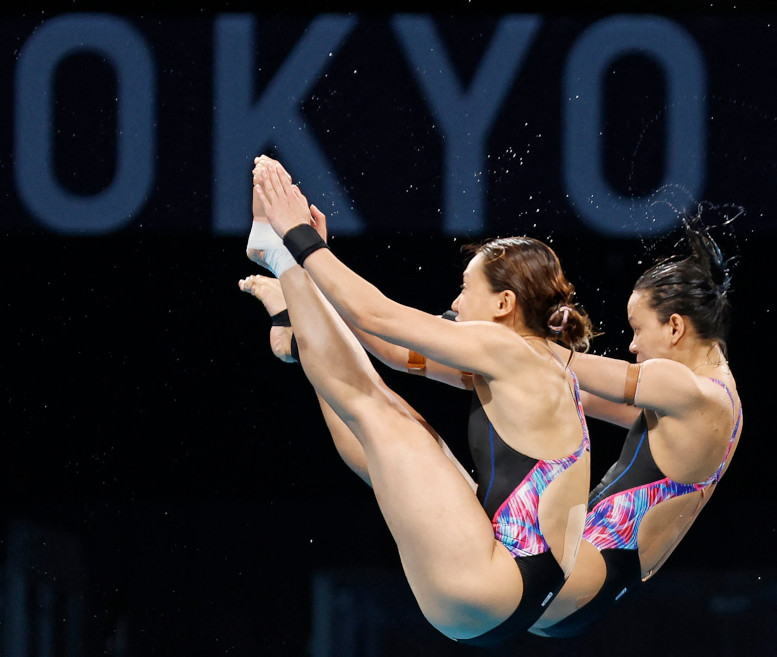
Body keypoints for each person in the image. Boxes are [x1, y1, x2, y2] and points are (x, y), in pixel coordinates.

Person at [246, 157, 592, 645]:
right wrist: (312, 273)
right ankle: (296, 316)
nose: (454, 303)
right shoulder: (535, 365)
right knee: (388, 444)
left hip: (489, 584)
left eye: (466, 289)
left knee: (381, 414)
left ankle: (281, 266)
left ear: (503, 304)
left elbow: (377, 315)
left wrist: (298, 241)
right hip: (517, 597)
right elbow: (386, 346)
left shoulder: (506, 349)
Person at [527, 220, 743, 636]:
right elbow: (578, 395)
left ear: (675, 326)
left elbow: (563, 365)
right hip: (593, 585)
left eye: (638, 329)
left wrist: (516, 333)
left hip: (577, 575)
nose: (632, 344)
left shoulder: (690, 391)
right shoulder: (719, 402)